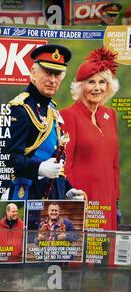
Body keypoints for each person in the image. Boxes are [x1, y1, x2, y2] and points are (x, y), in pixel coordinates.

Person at [5, 44, 85, 201]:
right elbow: (9, 158)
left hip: (53, 195)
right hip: (27, 195)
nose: (53, 80)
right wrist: (39, 168)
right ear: (33, 73)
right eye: (48, 73)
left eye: (57, 75)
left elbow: (55, 160)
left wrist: (67, 189)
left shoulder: (52, 109)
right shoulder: (20, 109)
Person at [60, 48, 120, 230]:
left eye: (102, 82)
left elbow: (114, 163)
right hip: (82, 197)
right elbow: (65, 163)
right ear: (80, 86)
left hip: (107, 199)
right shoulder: (69, 115)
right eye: (91, 82)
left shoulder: (110, 114)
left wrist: (116, 198)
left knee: (106, 252)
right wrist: (71, 198)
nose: (97, 88)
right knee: (82, 253)